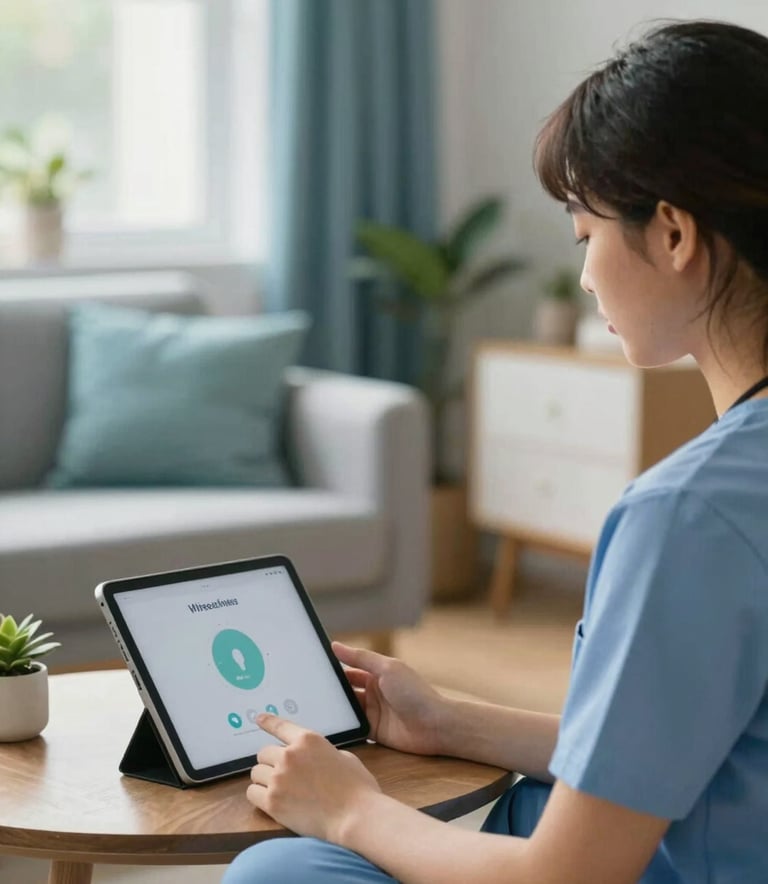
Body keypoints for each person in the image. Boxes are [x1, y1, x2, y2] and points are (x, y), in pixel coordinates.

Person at [222, 20, 768, 883]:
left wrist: (350, 807)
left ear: (673, 234)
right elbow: (701, 746)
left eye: (585, 235)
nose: (585, 277)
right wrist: (449, 722)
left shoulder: (689, 514)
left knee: (280, 871)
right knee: (503, 803)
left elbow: (569, 875)